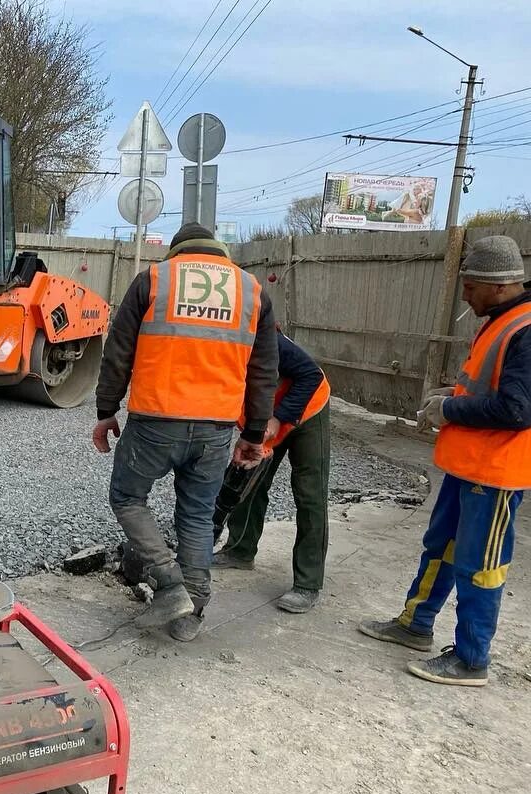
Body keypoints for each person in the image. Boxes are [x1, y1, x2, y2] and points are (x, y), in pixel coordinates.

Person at [92, 222, 279, 642]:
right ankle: (189, 615)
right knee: (196, 516)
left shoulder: (155, 279)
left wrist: (107, 410)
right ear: (220, 251)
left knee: (126, 496)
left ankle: (169, 581)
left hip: (155, 420)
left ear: (178, 252)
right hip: (215, 427)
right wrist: (252, 433)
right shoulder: (252, 291)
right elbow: (264, 370)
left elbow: (118, 351)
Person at [359, 235, 531, 686]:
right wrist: (450, 398)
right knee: (441, 548)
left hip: (497, 475)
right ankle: (416, 624)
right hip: (467, 467)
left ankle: (473, 659)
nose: (465, 295)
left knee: (481, 565)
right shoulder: (500, 320)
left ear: (497, 285)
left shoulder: (525, 330)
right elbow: (485, 389)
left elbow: (517, 410)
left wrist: (447, 410)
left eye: (470, 287)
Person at [211, 328, 332, 613]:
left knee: (309, 493)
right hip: (265, 417)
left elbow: (310, 375)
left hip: (307, 408)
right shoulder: (210, 349)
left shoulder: (262, 338)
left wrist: (279, 418)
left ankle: (308, 583)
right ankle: (240, 550)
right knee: (250, 480)